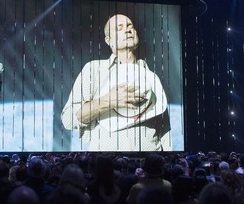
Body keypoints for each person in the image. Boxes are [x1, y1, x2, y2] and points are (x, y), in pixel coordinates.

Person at [61, 14, 172, 151]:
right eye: (119, 28)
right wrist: (108, 101)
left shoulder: (151, 76)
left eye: (130, 26)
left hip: (149, 164)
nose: (127, 30)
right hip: (107, 164)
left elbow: (165, 129)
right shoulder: (94, 69)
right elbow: (68, 119)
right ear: (108, 40)